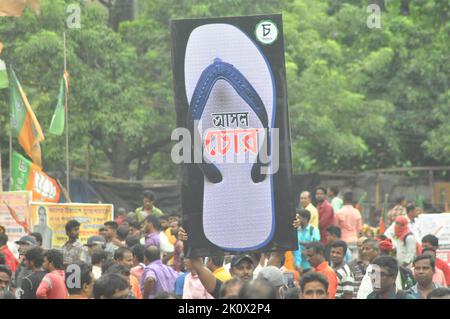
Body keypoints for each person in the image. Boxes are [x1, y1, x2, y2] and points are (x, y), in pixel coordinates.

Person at [293, 208, 320, 274]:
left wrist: (300, 243)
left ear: (305, 219)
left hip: (310, 266)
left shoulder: (313, 230)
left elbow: (315, 244)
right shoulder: (296, 230)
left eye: (299, 217)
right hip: (297, 265)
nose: (297, 219)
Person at [335, 192, 362, 259]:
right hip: (354, 239)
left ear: (344, 200)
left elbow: (335, 228)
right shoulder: (357, 212)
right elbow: (360, 229)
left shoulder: (339, 212)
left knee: (345, 260)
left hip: (343, 240)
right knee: (354, 260)